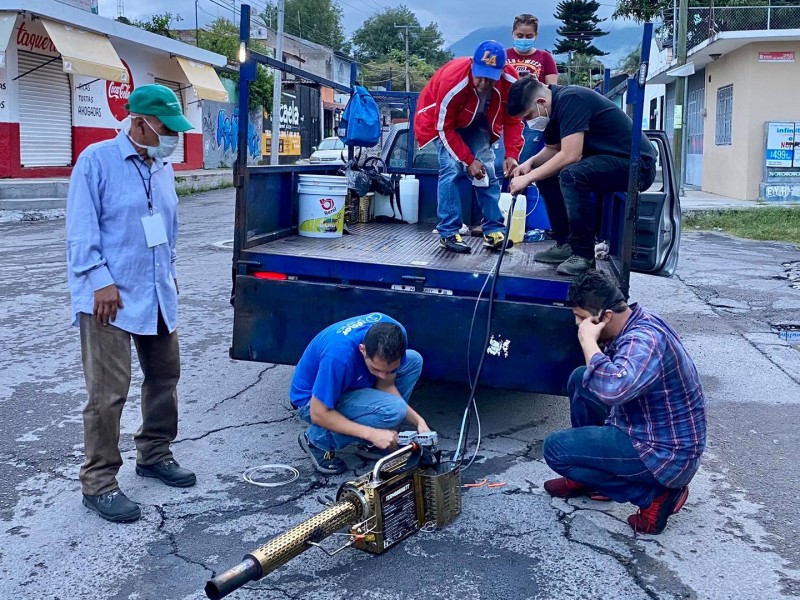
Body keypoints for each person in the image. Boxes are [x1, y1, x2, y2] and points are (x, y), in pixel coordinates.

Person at [66, 84, 196, 523]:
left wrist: (171, 273)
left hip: (156, 289)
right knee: (108, 394)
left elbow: (167, 229)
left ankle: (155, 453)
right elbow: (81, 232)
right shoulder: (96, 161)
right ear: (139, 121)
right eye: (165, 126)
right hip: (109, 299)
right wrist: (99, 281)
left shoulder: (162, 167)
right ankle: (99, 482)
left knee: (164, 377)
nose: (171, 135)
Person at [542, 271, 706, 535]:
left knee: (556, 449)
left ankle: (653, 497)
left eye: (582, 318)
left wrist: (588, 341)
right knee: (581, 379)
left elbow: (613, 390)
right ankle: (587, 480)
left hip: (664, 456)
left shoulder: (644, 340)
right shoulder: (635, 320)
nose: (578, 324)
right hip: (649, 429)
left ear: (606, 316)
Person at [507, 77, 658, 276]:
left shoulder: (572, 99)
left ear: (540, 103)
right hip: (607, 160)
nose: (528, 122)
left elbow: (571, 154)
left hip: (637, 166)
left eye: (528, 116)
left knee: (572, 174)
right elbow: (554, 149)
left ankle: (583, 255)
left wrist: (527, 178)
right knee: (546, 173)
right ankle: (566, 243)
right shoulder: (551, 112)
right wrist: (531, 163)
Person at [415, 40, 524, 254]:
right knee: (451, 169)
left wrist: (512, 154)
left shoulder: (512, 81)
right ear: (473, 65)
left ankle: (493, 230)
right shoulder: (452, 81)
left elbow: (514, 119)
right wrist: (468, 160)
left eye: (490, 78)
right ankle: (448, 232)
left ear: (501, 72)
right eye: (479, 75)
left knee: (488, 169)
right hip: (443, 124)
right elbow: (444, 128)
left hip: (477, 122)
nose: (483, 83)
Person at [291, 313, 430, 475]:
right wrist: (373, 433)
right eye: (376, 369)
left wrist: (419, 422)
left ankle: (370, 441)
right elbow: (318, 413)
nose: (382, 375)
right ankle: (317, 440)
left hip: (348, 385)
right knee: (393, 411)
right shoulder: (338, 357)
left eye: (389, 370)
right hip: (311, 402)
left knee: (414, 361)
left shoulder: (395, 332)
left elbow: (386, 385)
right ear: (362, 350)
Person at [505, 13, 558, 163]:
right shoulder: (504, 55)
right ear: (513, 34)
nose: (524, 39)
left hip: (533, 117)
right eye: (519, 35)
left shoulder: (545, 57)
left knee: (523, 159)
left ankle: (521, 185)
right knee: (503, 161)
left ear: (535, 36)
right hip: (508, 115)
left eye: (529, 36)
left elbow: (551, 89)